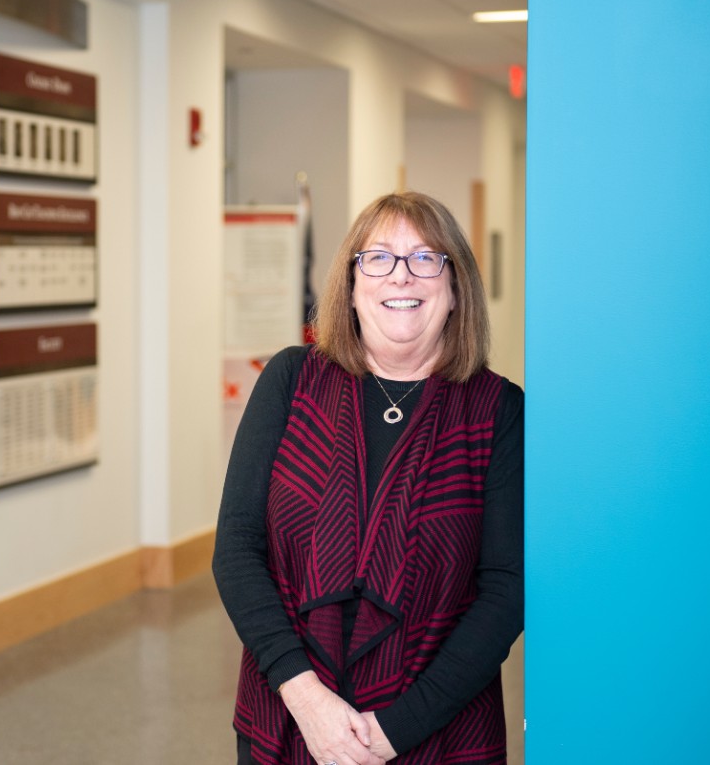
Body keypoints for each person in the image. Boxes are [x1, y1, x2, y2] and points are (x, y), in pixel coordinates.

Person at [213, 192, 523, 765]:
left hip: (439, 733)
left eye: (426, 258)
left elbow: (505, 591)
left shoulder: (497, 410)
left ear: (455, 289)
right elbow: (236, 551)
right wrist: (308, 702)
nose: (400, 276)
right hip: (288, 721)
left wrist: (389, 734)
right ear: (350, 286)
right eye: (377, 258)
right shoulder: (290, 380)